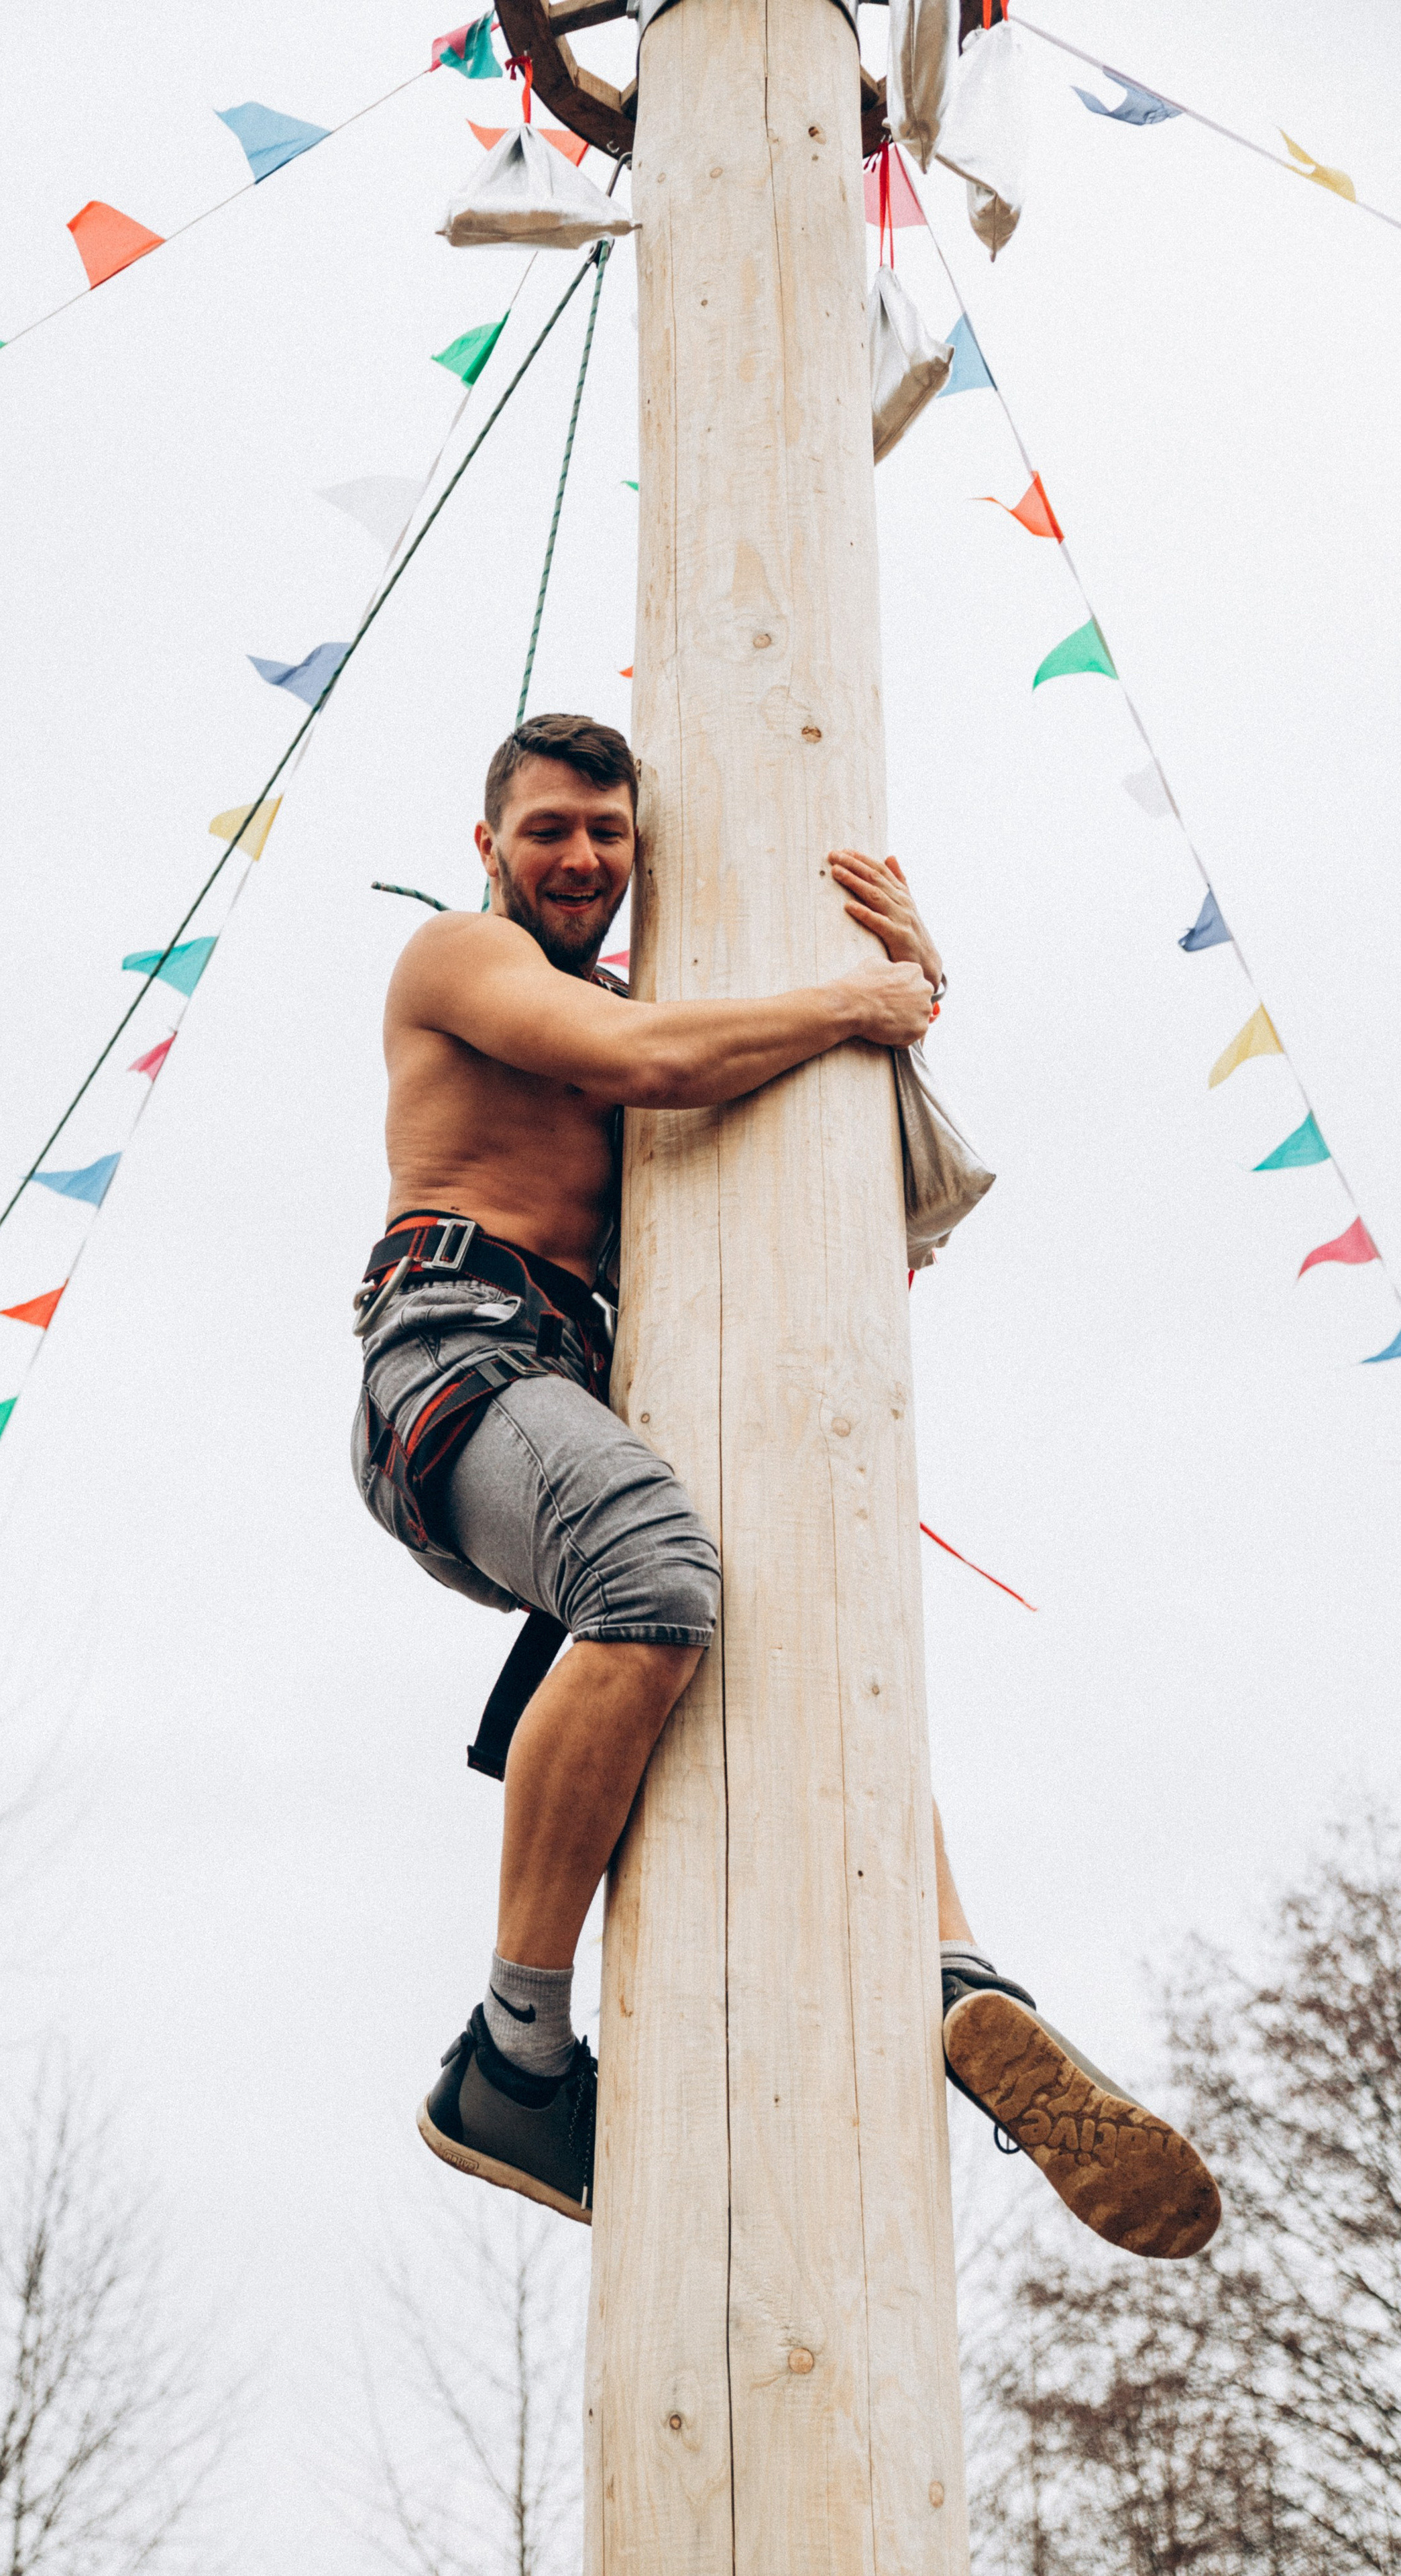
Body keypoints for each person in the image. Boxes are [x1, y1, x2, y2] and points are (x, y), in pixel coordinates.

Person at [351, 711, 1219, 2264]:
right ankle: (513, 2055)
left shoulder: (657, 986)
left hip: (582, 1382)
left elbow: (753, 1099)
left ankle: (952, 1975)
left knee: (807, 1612)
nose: (579, 858)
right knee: (654, 1578)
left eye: (609, 835)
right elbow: (650, 1058)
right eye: (547, 828)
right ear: (486, 845)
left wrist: (912, 990)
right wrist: (853, 998)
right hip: (454, 1356)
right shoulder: (455, 965)